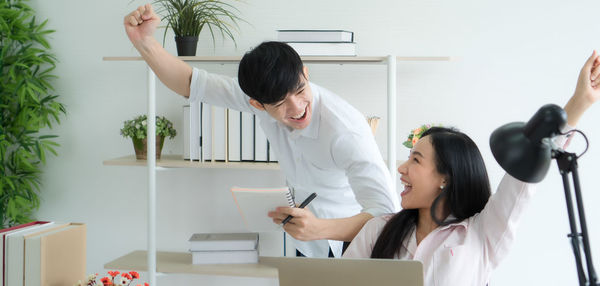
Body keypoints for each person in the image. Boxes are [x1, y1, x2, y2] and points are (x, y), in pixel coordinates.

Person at [123, 4, 398, 258]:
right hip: (304, 238)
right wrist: (143, 42)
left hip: (352, 240)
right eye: (279, 104)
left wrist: (321, 228)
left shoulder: (345, 131)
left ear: (305, 72)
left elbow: (386, 214)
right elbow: (192, 83)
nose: (297, 108)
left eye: (301, 90)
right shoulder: (257, 96)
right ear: (257, 104)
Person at [343, 51, 600, 285]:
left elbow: (521, 181)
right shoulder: (378, 230)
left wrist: (580, 101)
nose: (401, 169)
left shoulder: (481, 235)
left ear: (445, 178)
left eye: (416, 160)